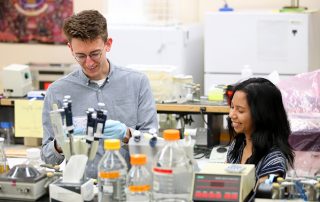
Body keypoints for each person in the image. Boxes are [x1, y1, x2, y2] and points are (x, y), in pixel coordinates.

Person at [41, 10, 158, 178]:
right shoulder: (57, 91)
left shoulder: (137, 83)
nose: (89, 63)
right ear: (70, 48)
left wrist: (127, 135)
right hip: (81, 187)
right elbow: (47, 156)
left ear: (108, 44)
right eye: (80, 55)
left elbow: (153, 144)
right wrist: (61, 144)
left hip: (130, 185)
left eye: (95, 54)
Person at [227, 77, 294, 184]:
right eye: (232, 107)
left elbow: (261, 195)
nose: (231, 115)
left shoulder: (273, 160)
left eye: (240, 110)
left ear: (261, 115)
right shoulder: (237, 145)